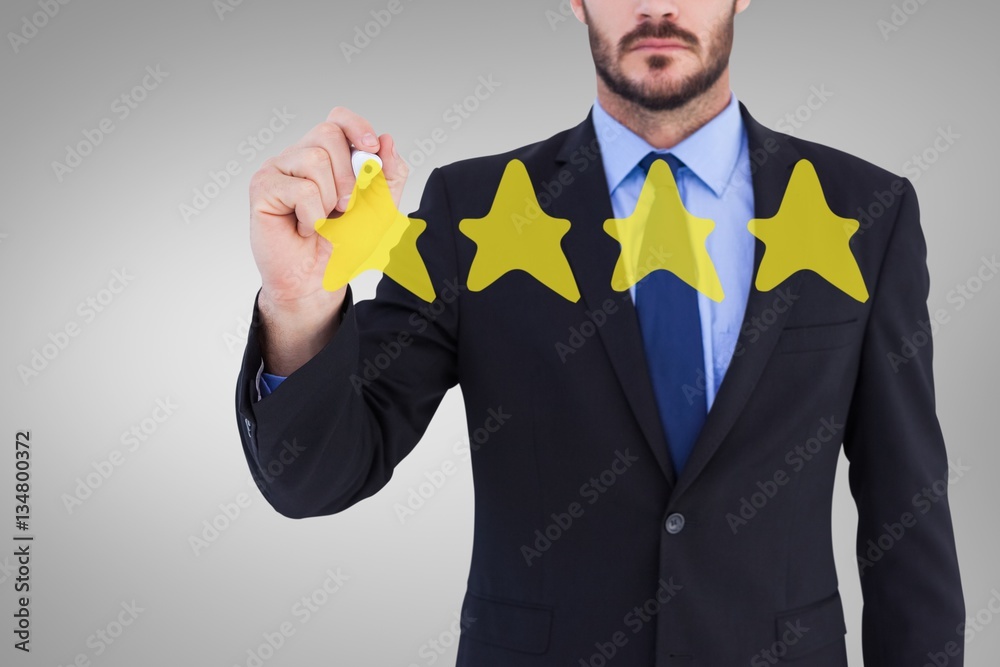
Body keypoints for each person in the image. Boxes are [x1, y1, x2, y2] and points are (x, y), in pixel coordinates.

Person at [234, 1, 965, 664]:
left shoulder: (869, 211)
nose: (658, 6)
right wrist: (298, 303)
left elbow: (907, 512)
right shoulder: (469, 212)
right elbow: (313, 478)